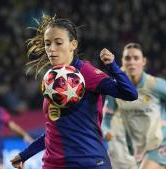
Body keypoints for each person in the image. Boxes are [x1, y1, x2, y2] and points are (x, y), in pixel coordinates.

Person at [10, 15, 138, 169]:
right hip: (54, 165)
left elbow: (130, 94)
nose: (51, 49)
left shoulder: (85, 72)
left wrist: (112, 66)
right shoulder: (51, 79)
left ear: (73, 44)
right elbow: (54, 131)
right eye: (47, 43)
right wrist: (25, 155)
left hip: (89, 163)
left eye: (58, 43)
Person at [101, 43, 166, 169]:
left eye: (136, 58)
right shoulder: (116, 89)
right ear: (122, 61)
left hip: (161, 143)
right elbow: (106, 119)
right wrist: (106, 131)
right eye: (127, 58)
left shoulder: (156, 84)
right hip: (137, 149)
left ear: (143, 62)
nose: (132, 62)